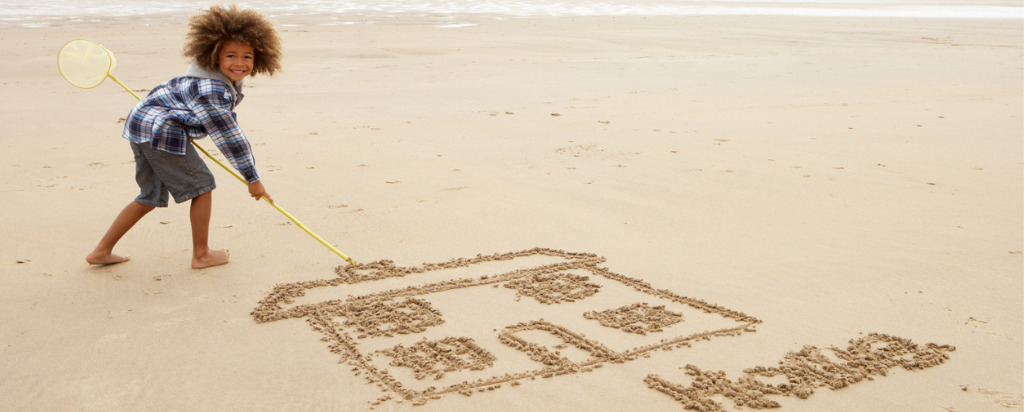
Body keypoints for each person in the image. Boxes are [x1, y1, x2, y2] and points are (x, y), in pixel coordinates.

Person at [86, 5, 282, 269]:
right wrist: (253, 178)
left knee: (150, 194)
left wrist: (185, 129)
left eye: (247, 57)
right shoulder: (211, 88)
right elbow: (229, 136)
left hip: (142, 126)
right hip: (160, 131)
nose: (239, 63)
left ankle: (101, 251)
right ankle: (201, 254)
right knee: (203, 185)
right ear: (214, 56)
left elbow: (180, 105)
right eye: (231, 55)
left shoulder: (213, 77)